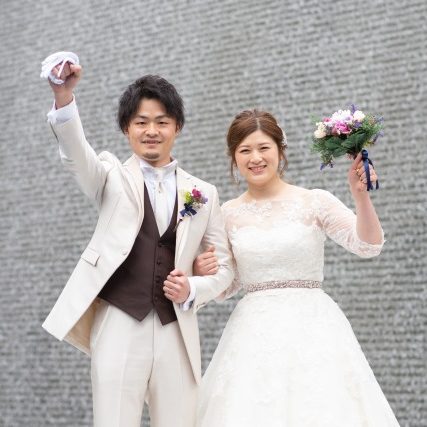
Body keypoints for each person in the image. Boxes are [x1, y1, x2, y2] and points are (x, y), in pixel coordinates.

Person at [41, 59, 234, 427]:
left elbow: (225, 271)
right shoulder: (109, 175)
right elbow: (76, 155)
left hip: (177, 329)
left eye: (162, 122)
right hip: (119, 323)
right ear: (126, 128)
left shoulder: (203, 193)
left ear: (177, 127)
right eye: (141, 122)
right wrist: (63, 97)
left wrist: (194, 287)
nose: (152, 131)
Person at [194, 110, 400, 426]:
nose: (255, 158)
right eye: (245, 150)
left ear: (280, 150)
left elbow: (368, 245)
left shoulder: (315, 201)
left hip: (315, 329)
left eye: (263, 148)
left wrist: (361, 197)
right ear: (234, 157)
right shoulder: (226, 215)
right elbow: (225, 286)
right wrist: (202, 270)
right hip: (253, 336)